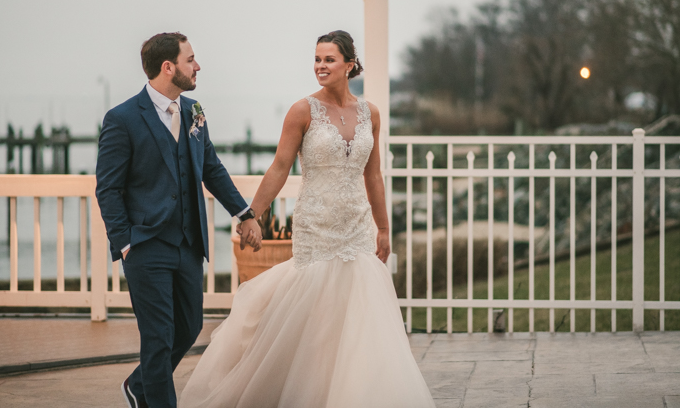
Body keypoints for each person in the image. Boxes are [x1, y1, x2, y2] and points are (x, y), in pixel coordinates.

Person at [179, 30, 435, 408]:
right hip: (316, 225)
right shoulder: (302, 111)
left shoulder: (371, 113)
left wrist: (383, 228)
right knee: (317, 314)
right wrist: (253, 215)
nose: (320, 66)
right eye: (316, 59)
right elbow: (280, 166)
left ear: (349, 64)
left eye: (329, 59)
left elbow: (374, 175)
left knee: (362, 315)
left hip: (358, 227)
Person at [95, 32, 264, 408]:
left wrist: (244, 213)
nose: (198, 65)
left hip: (188, 244)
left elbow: (211, 169)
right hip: (145, 245)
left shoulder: (194, 111)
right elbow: (107, 189)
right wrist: (125, 243)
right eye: (190, 59)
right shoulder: (122, 118)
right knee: (158, 337)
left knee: (187, 328)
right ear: (168, 66)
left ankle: (139, 386)